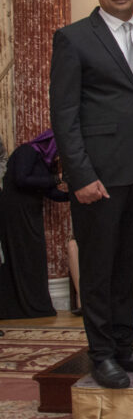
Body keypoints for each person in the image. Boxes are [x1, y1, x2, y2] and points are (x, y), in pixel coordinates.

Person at [50, 0, 133, 388]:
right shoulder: (74, 38)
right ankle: (100, 355)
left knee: (127, 266)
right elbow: (64, 113)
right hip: (97, 176)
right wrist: (79, 175)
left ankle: (123, 346)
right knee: (98, 270)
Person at [0, 130, 68, 319]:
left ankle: (36, 306)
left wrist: (73, 197)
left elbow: (50, 191)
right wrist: (57, 179)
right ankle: (17, 308)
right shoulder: (27, 151)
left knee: (33, 258)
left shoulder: (45, 162)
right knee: (21, 256)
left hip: (31, 213)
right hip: (15, 214)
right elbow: (21, 179)